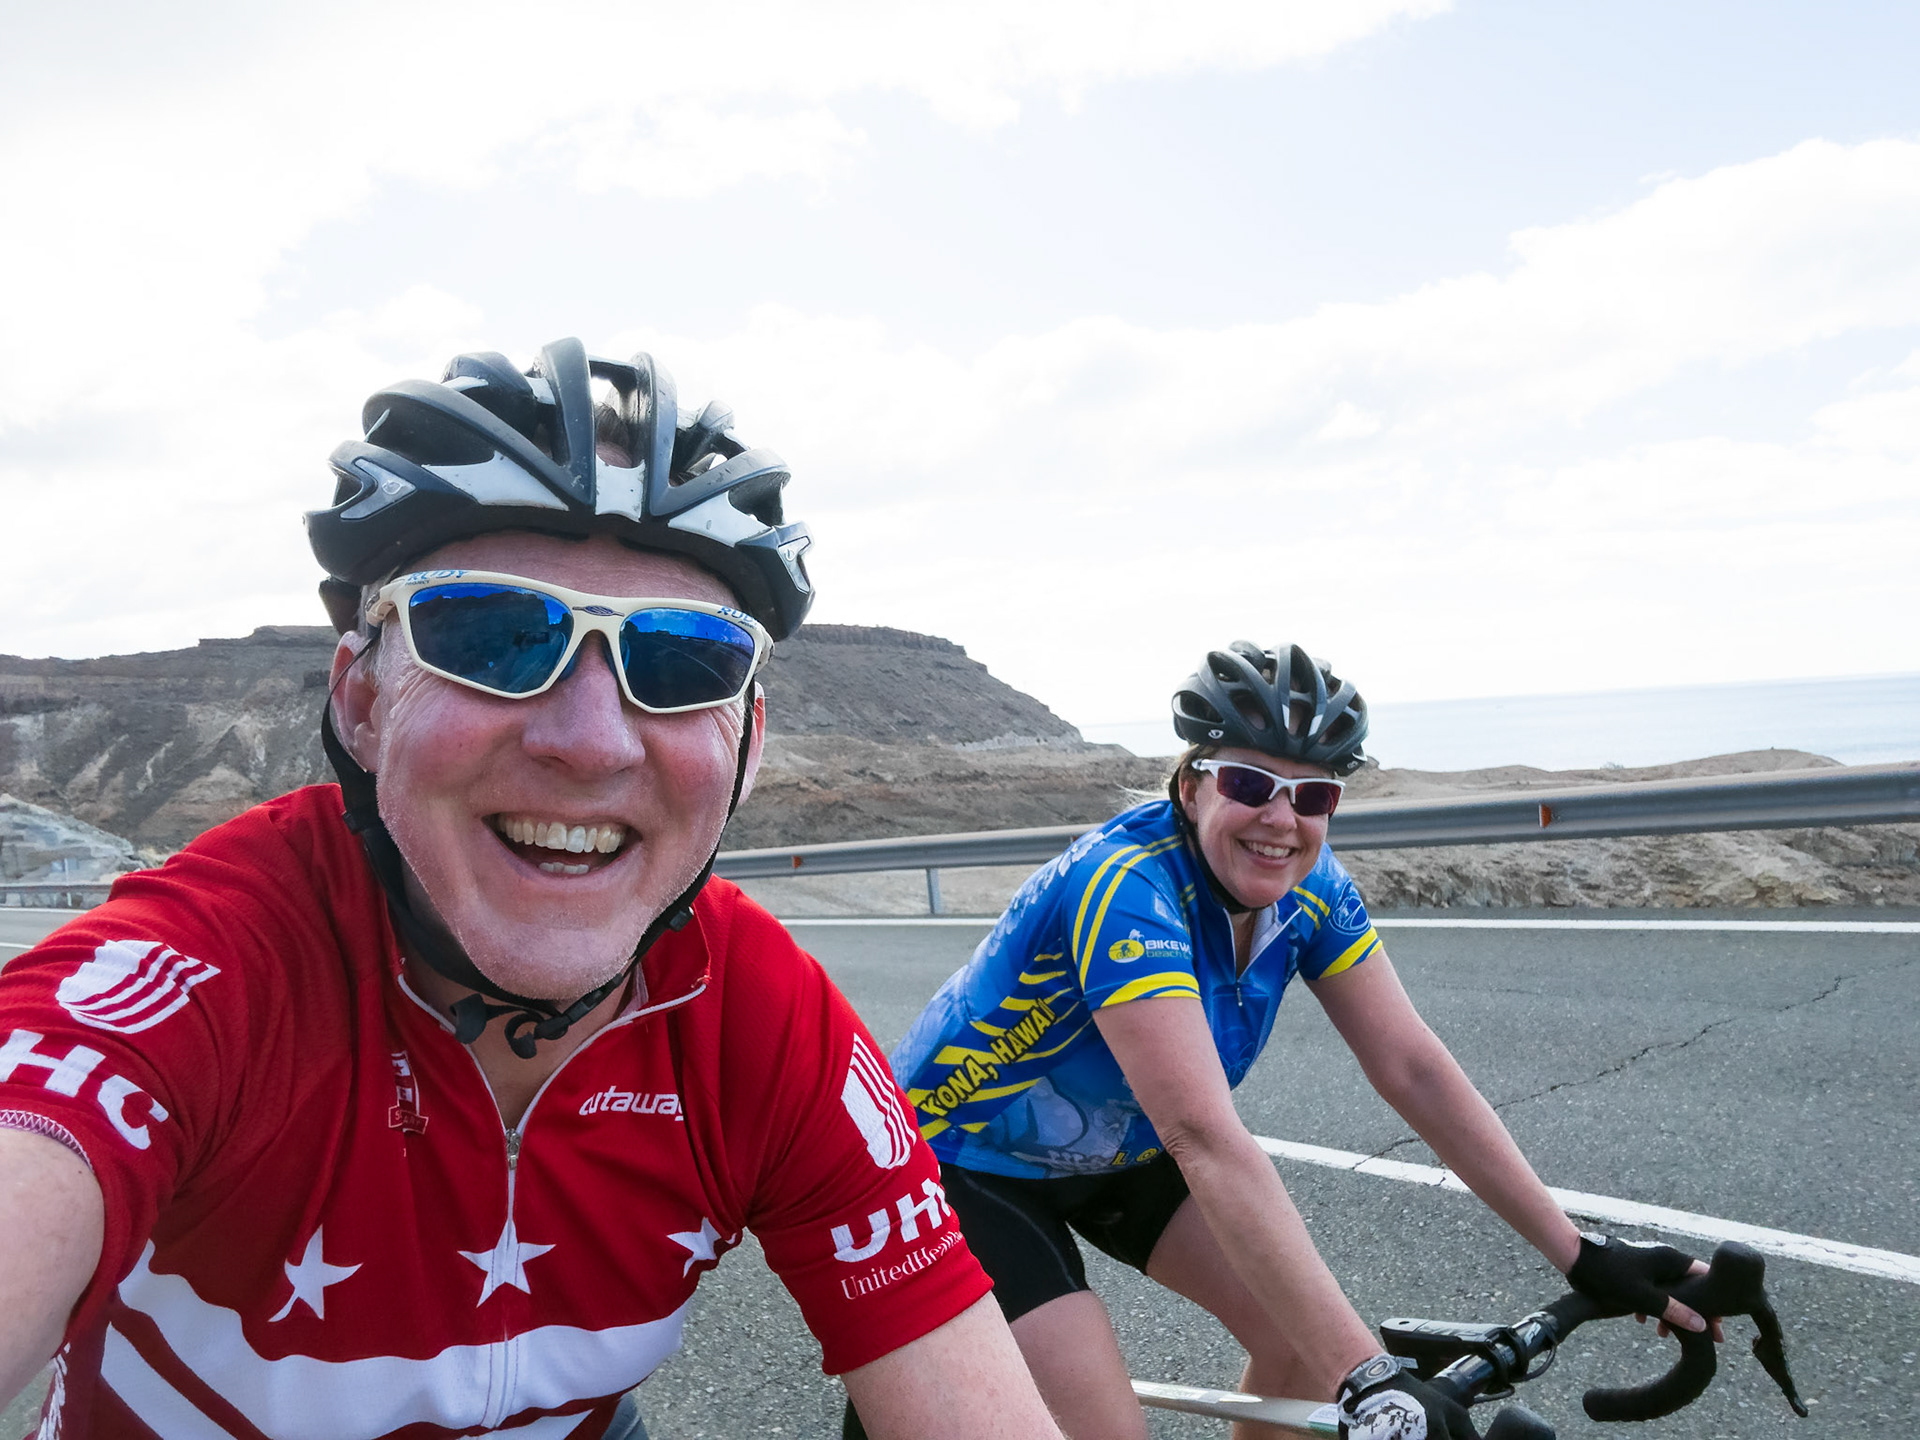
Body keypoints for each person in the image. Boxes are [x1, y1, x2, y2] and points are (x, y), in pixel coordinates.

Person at [0, 340, 1062, 1440]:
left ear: (747, 744)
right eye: (493, 637)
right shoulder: (206, 970)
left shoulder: (758, 1013)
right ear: (362, 704)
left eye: (683, 660)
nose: (592, 742)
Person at [878, 642, 1715, 1440]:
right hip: (957, 1161)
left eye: (1313, 797)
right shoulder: (1125, 886)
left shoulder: (1313, 889)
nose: (1282, 819)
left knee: (1304, 1349)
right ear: (1192, 787)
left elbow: (1414, 1069)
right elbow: (1204, 1137)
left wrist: (1581, 1253)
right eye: (1251, 783)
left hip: (1114, 1150)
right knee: (1106, 1427)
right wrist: (1371, 1382)